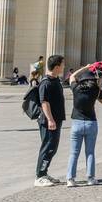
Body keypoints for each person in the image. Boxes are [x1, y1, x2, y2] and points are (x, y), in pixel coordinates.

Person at [65, 62, 102, 186]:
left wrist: (85, 67)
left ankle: (70, 179)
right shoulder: (96, 90)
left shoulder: (76, 88)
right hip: (91, 123)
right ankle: (90, 178)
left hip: (76, 123)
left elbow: (72, 76)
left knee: (74, 152)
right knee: (90, 152)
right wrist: (99, 85)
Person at [32, 55, 67, 187]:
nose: (64, 66)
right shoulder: (46, 82)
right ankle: (39, 176)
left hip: (56, 119)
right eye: (63, 64)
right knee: (47, 147)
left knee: (52, 148)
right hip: (48, 121)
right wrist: (50, 120)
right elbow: (44, 102)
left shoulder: (55, 80)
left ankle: (44, 173)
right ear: (57, 66)